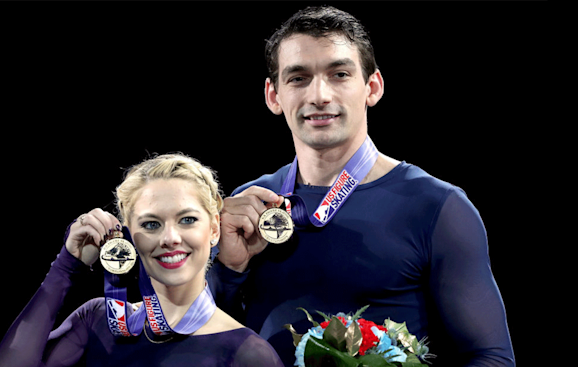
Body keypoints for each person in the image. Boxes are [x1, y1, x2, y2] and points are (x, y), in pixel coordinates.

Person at [207, 6, 515, 366]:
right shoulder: (248, 204)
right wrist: (229, 273)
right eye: (298, 78)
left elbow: (490, 357)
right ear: (273, 95)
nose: (319, 95)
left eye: (339, 74)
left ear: (372, 87)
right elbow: (208, 346)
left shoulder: (437, 206)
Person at [0, 154, 284, 367]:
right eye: (151, 224)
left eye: (187, 220)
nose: (170, 237)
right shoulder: (97, 321)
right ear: (130, 236)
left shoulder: (249, 353)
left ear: (214, 229)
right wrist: (65, 268)